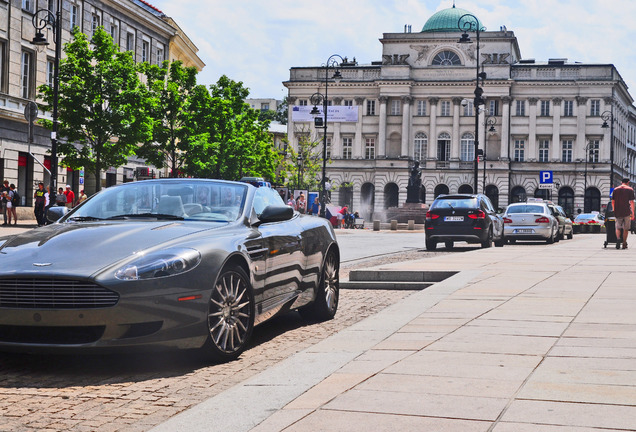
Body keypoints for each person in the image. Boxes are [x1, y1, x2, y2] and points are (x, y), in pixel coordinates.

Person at [610, 177, 635, 250]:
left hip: (618, 211)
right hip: (626, 211)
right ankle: (624, 243)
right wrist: (633, 212)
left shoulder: (615, 189)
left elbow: (613, 201)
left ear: (621, 182)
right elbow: (632, 202)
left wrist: (614, 209)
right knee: (626, 228)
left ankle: (618, 239)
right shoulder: (630, 189)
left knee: (618, 227)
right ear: (628, 182)